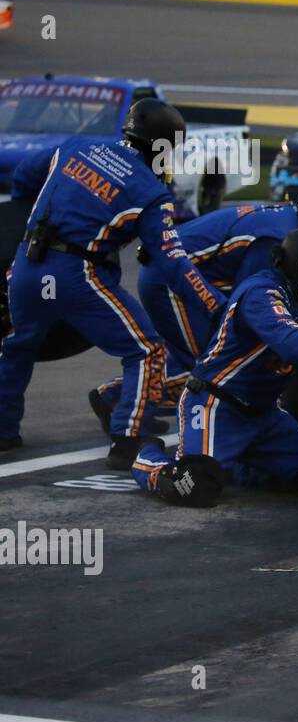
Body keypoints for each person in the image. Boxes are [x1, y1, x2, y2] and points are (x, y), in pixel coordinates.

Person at [0, 99, 227, 467]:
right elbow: (171, 262)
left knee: (17, 346)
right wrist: (215, 303)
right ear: (161, 146)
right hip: (76, 276)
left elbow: (25, 176)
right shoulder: (151, 192)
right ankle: (128, 439)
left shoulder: (77, 146)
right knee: (146, 350)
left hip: (25, 263)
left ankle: (4, 431)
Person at [131, 224, 298, 506]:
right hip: (217, 406)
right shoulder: (261, 293)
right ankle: (147, 457)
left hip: (266, 416)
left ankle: (240, 467)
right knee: (194, 485)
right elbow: (294, 344)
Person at [88, 188, 298, 430]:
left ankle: (119, 396)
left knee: (211, 354)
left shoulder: (287, 219)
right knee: (219, 365)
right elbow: (253, 301)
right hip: (171, 280)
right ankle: (117, 397)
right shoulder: (276, 238)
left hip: (185, 272)